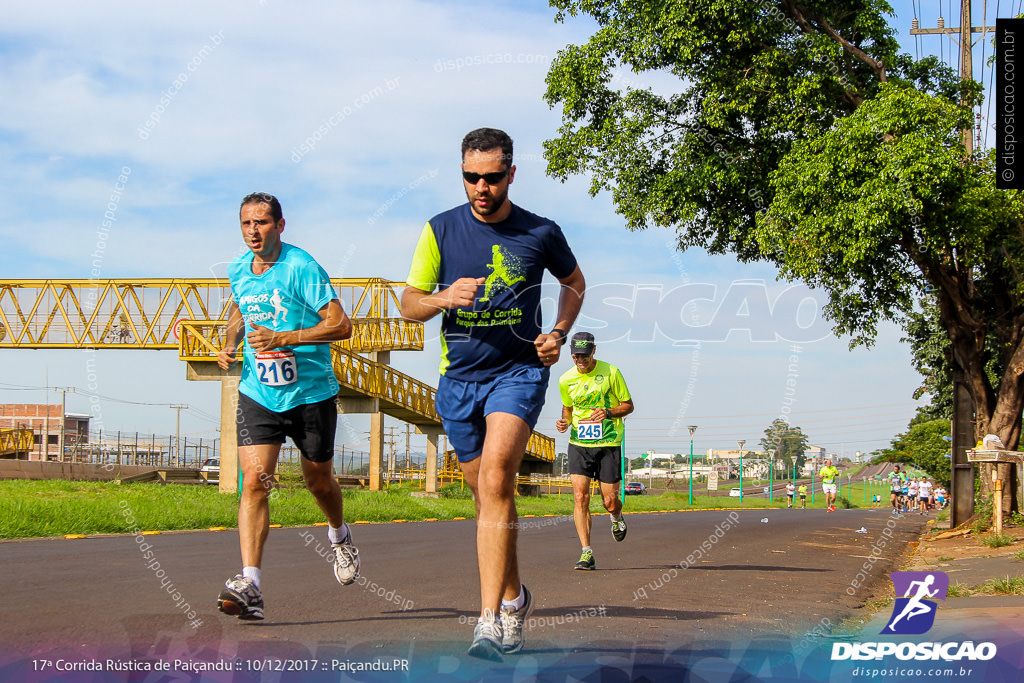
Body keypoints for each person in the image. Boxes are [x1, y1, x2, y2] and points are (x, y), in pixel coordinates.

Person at [401, 128, 586, 661]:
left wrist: (558, 333)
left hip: (518, 372)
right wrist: (441, 298)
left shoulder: (540, 231)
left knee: (498, 475)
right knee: (487, 500)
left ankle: (488, 621)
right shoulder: (439, 230)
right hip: (459, 379)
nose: (481, 187)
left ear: (511, 174)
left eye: (491, 177)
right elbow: (408, 304)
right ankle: (514, 597)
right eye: (470, 177)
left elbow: (574, 283)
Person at [215, 192, 359, 621]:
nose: (253, 232)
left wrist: (283, 338)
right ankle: (251, 582)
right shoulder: (238, 269)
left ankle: (339, 536)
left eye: (261, 223)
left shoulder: (301, 267)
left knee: (318, 481)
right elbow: (242, 311)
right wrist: (228, 344)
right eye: (246, 224)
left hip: (310, 393)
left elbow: (341, 325)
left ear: (280, 225)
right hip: (258, 391)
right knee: (256, 481)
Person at [555, 332, 634, 571]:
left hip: (608, 442)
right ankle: (586, 552)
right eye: (576, 355)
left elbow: (629, 405)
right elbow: (567, 410)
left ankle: (616, 518)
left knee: (609, 501)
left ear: (594, 351)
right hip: (579, 443)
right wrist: (563, 423)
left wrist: (608, 412)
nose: (580, 360)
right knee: (580, 497)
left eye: (585, 355)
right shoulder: (565, 380)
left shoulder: (611, 372)